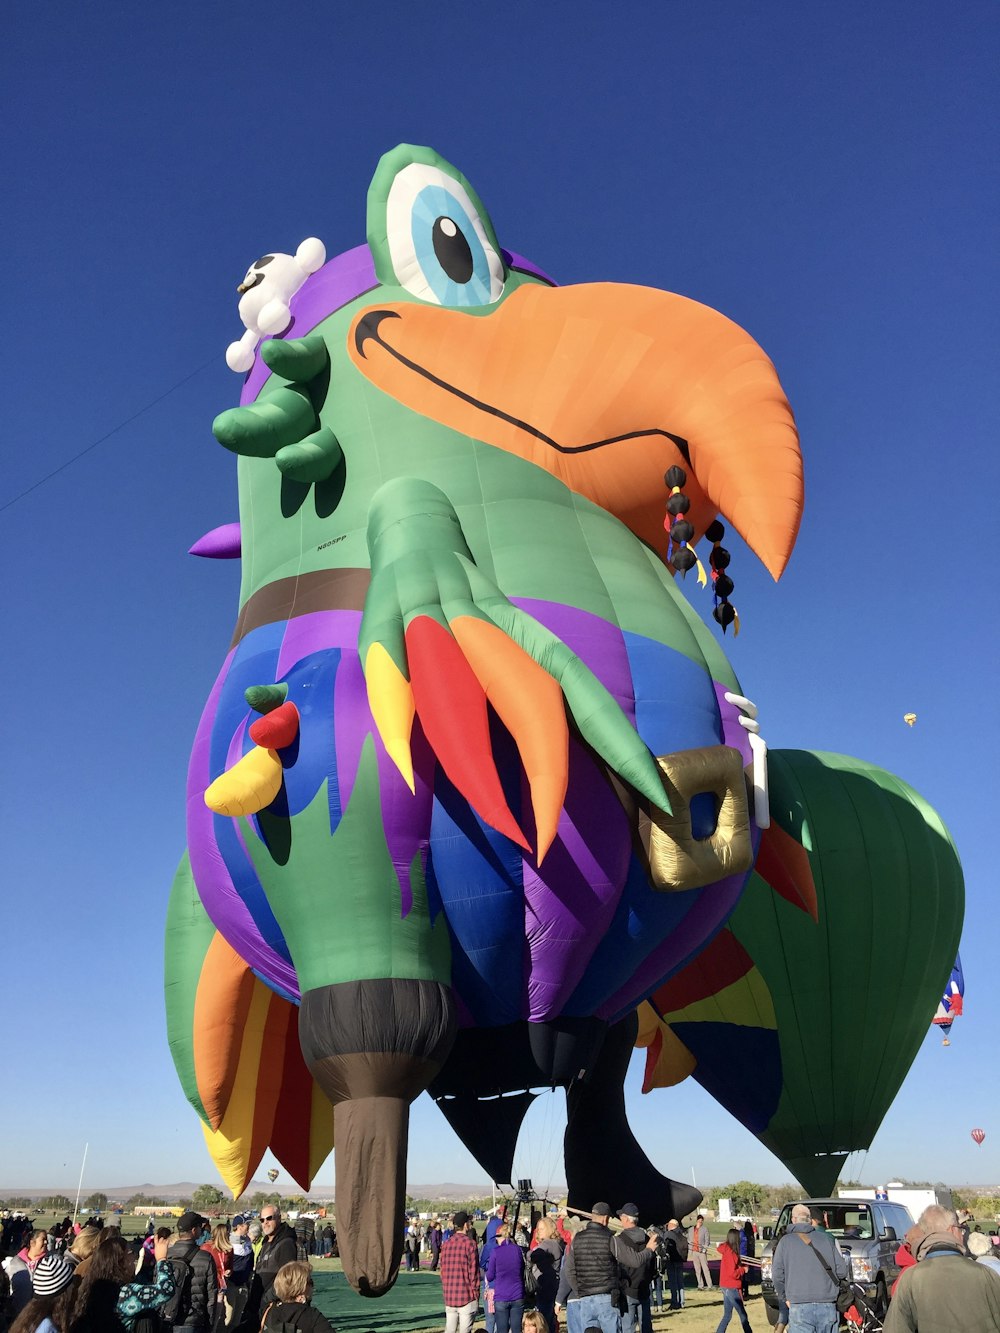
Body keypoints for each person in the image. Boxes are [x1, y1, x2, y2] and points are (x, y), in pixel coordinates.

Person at [884, 1204, 1000, 1332]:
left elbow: (894, 1329)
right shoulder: (985, 1274)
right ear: (952, 1230)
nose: (963, 1235)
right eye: (960, 1229)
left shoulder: (909, 1279)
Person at [559, 1202, 657, 1333]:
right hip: (606, 1298)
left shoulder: (577, 1240)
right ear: (605, 1219)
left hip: (585, 1300)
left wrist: (580, 1291)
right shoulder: (611, 1240)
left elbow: (569, 1270)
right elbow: (635, 1261)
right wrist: (649, 1249)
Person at [770, 1203, 847, 1333]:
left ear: (793, 1220)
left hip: (799, 1304)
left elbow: (777, 1275)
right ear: (810, 1220)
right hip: (827, 1303)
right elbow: (842, 1271)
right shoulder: (827, 1240)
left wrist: (785, 1297)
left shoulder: (785, 1242)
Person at [164, 1211, 219, 1332]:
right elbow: (211, 1296)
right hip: (194, 1321)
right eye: (200, 1227)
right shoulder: (206, 1258)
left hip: (167, 1318)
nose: (202, 1230)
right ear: (194, 1230)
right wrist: (210, 1324)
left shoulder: (166, 1255)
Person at [245, 1207, 296, 1330]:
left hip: (272, 1307)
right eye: (262, 1220)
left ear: (279, 1218)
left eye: (269, 1218)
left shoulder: (286, 1243)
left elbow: (287, 1279)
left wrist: (268, 1299)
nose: (265, 1223)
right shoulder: (266, 1243)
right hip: (257, 1305)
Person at [610, 1205, 654, 1333]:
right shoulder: (647, 1239)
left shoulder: (620, 1240)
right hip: (644, 1287)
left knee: (627, 1327)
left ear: (626, 1219)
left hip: (627, 1289)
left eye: (621, 1217)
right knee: (646, 1326)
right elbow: (652, 1265)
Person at [9, 1253, 77, 1333]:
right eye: (70, 1285)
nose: (73, 1288)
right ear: (62, 1294)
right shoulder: (47, 1327)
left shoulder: (33, 1318)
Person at [259, 1261, 334, 1331]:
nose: (312, 1286)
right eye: (310, 1282)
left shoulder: (269, 1311)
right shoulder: (312, 1316)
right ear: (302, 1287)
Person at [439, 1211, 479, 1333]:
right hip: (466, 1296)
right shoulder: (470, 1244)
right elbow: (474, 1273)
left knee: (449, 1329)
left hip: (450, 1296)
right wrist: (476, 1294)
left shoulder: (446, 1244)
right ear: (466, 1225)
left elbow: (442, 1271)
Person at [486, 1224, 524, 1333]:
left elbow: (490, 1276)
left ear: (499, 1237)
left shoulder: (496, 1251)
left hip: (501, 1295)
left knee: (502, 1330)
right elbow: (521, 1271)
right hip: (517, 1294)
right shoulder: (517, 1250)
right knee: (517, 1329)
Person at [528, 1217, 562, 1333]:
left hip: (546, 1289)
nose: (539, 1231)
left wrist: (527, 1253)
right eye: (538, 1229)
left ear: (549, 1229)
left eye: (542, 1229)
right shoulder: (555, 1244)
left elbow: (534, 1256)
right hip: (550, 1288)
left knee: (543, 1323)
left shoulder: (548, 1244)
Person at [714, 1229, 752, 1333]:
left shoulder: (726, 1249)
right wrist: (743, 1270)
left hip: (725, 1285)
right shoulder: (731, 1254)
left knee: (727, 1315)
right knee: (742, 1314)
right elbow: (733, 1273)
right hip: (731, 1286)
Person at [201, 1223, 232, 1329]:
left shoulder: (228, 1249)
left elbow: (231, 1266)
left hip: (221, 1283)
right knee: (208, 1304)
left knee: (219, 1305)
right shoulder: (206, 1247)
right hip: (208, 1281)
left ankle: (213, 1328)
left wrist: (229, 1271)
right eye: (227, 1233)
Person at [226, 1216, 253, 1328]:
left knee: (236, 1321)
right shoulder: (228, 1243)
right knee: (227, 1319)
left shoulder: (248, 1243)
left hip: (243, 1286)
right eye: (247, 1224)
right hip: (230, 1286)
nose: (249, 1227)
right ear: (239, 1226)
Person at [662, 1219, 688, 1311]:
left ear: (672, 1225)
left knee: (673, 1282)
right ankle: (682, 1301)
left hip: (672, 1260)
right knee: (680, 1281)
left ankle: (674, 1301)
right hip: (680, 1260)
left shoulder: (669, 1234)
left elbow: (665, 1246)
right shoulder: (681, 1234)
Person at [690, 1215, 712, 1290]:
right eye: (699, 1220)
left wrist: (704, 1250)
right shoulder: (691, 1229)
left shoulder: (705, 1229)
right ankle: (700, 1285)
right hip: (694, 1251)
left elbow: (707, 1240)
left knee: (705, 1268)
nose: (700, 1222)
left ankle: (709, 1285)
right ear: (696, 1220)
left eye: (701, 1221)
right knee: (697, 1269)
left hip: (701, 1252)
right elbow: (689, 1239)